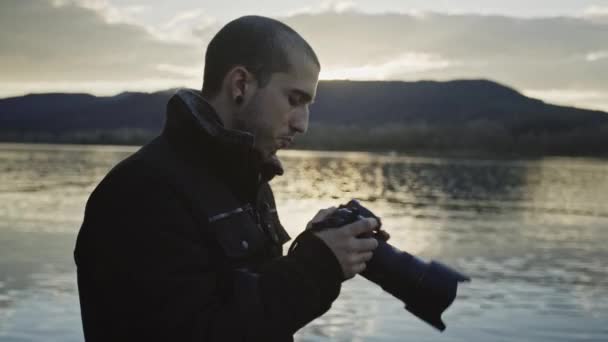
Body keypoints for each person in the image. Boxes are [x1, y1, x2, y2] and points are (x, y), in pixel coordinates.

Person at [74, 15, 382, 341]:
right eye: (294, 100)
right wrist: (316, 267)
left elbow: (248, 307)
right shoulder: (140, 192)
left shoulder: (253, 181)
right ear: (240, 85)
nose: (302, 124)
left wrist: (311, 250)